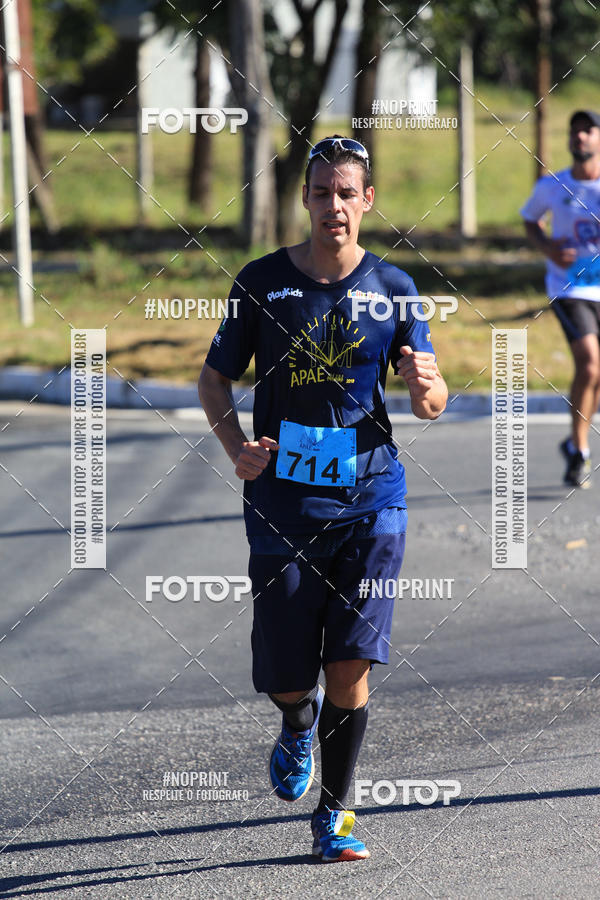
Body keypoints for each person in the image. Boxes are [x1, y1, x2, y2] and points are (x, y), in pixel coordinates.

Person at [198, 136, 447, 862]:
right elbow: (214, 380)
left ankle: (335, 814)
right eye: (320, 192)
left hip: (373, 498)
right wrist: (237, 448)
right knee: (286, 675)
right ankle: (293, 719)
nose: (333, 206)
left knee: (351, 664)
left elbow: (430, 403)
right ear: (304, 199)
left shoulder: (395, 288)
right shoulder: (262, 281)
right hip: (281, 506)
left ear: (367, 200)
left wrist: (426, 385)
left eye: (347, 193)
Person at [521, 110, 600, 488]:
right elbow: (529, 219)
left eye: (588, 130)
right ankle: (581, 450)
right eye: (574, 131)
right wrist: (549, 248)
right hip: (570, 289)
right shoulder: (553, 186)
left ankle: (572, 441)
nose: (580, 136)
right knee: (589, 363)